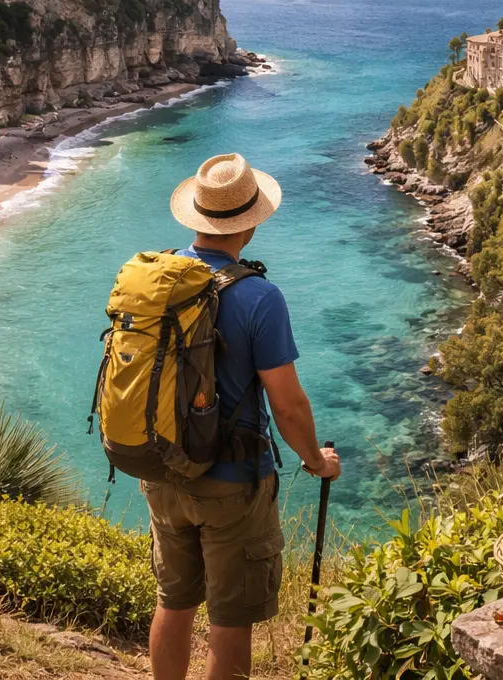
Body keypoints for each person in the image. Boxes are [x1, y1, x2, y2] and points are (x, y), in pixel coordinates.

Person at [147, 152, 340, 680]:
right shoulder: (259, 297)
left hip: (161, 471)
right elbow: (287, 404)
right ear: (250, 224)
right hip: (231, 483)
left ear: (197, 217)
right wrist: (316, 460)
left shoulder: (159, 281)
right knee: (231, 620)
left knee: (175, 601)